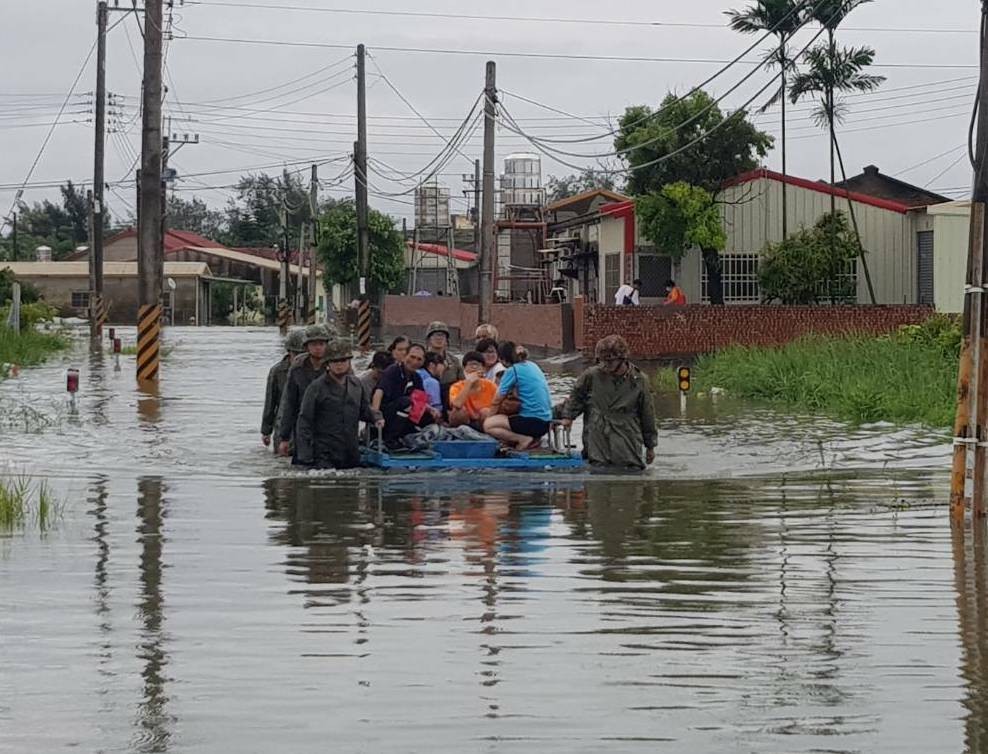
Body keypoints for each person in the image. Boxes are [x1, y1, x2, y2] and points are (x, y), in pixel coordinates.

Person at [560, 335, 657, 469]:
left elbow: (647, 414)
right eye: (602, 361)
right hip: (597, 437)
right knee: (597, 475)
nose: (605, 365)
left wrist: (650, 446)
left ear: (622, 359)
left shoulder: (639, 381)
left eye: (610, 361)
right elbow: (577, 397)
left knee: (629, 477)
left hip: (627, 439)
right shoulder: (591, 376)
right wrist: (568, 417)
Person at [295, 339, 385, 469]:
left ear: (349, 362)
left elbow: (364, 409)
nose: (339, 365)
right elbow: (304, 421)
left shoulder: (356, 385)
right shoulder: (316, 388)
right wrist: (305, 457)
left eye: (343, 361)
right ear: (328, 364)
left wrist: (376, 417)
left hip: (350, 451)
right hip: (324, 453)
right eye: (335, 361)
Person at [483, 341, 553, 451]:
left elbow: (496, 401)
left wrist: (488, 419)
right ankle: (529, 439)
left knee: (488, 425)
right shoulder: (532, 365)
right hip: (546, 422)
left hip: (532, 422)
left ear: (502, 360)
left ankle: (523, 439)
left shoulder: (513, 370)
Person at [276, 324, 331, 458]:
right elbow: (289, 403)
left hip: (329, 426)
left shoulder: (336, 366)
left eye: (321, 344)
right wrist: (284, 438)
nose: (318, 348)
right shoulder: (297, 369)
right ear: (307, 347)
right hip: (303, 424)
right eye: (314, 344)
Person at [373, 343, 437, 446]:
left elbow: (420, 401)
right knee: (406, 402)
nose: (414, 362)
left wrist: (432, 410)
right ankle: (390, 440)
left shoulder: (416, 377)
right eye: (412, 357)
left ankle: (411, 437)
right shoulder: (392, 371)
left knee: (428, 415)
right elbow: (378, 392)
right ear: (404, 356)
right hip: (387, 414)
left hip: (404, 414)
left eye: (419, 359)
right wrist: (376, 416)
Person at [261, 328, 305, 450]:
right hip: (283, 424)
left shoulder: (312, 369)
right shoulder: (277, 371)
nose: (299, 358)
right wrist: (266, 431)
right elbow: (270, 402)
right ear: (289, 352)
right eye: (296, 354)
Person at [449, 351, 499, 429]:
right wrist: (469, 383)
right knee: (458, 412)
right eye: (471, 364)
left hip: (483, 421)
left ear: (483, 368)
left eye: (477, 365)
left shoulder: (491, 385)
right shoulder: (456, 386)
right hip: (465, 420)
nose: (474, 367)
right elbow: (457, 404)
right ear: (464, 368)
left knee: (486, 411)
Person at [426, 321, 465, 387]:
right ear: (429, 339)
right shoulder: (421, 358)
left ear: (447, 340)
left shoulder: (454, 361)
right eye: (436, 335)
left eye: (442, 335)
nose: (439, 338)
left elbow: (462, 383)